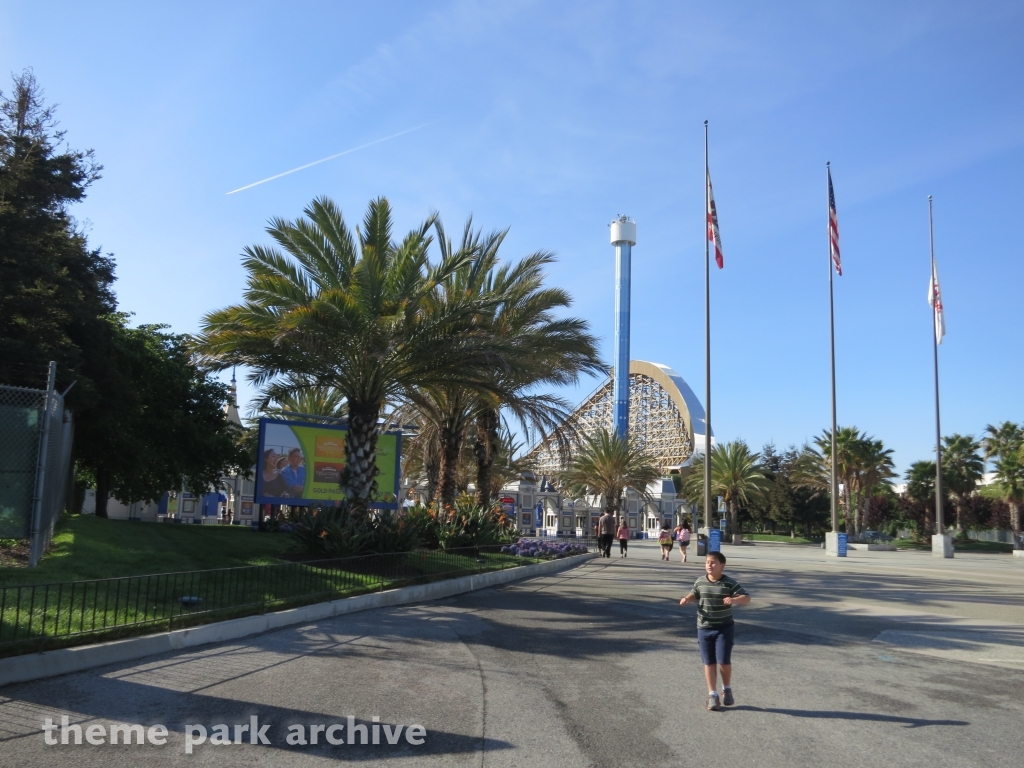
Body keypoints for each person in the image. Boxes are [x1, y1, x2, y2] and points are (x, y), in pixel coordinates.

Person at [679, 551, 751, 711]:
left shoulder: (728, 583)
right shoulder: (700, 582)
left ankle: (727, 688)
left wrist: (734, 599)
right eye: (707, 562)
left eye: (713, 562)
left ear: (722, 566)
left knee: (723, 660)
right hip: (704, 628)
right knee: (708, 662)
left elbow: (746, 597)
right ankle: (712, 695)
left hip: (724, 628)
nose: (709, 565)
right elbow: (694, 594)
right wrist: (686, 599)